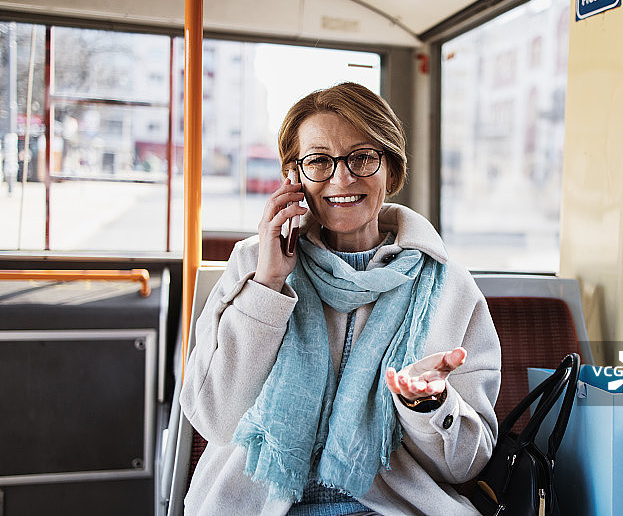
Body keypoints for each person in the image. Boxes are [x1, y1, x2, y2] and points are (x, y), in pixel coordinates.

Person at [180, 82, 501, 516]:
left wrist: (428, 405)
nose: (342, 178)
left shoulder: (449, 286)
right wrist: (268, 285)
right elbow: (214, 418)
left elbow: (467, 465)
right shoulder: (253, 265)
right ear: (294, 177)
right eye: (319, 161)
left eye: (362, 157)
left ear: (391, 170)